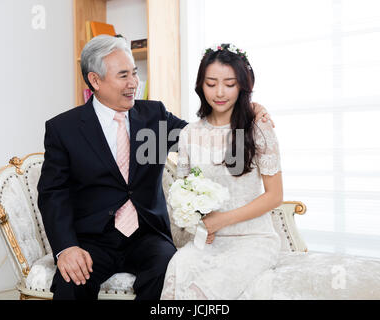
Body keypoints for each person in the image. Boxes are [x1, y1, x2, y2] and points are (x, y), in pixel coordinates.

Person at [37, 35, 272, 300]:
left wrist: (248, 108)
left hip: (147, 236)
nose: (134, 84)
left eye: (134, 73)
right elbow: (52, 194)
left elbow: (203, 135)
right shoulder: (63, 129)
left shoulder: (154, 115)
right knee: (70, 285)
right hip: (92, 240)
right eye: (123, 76)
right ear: (95, 81)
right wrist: (66, 248)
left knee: (167, 269)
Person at [161, 43, 283, 300]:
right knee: (176, 274)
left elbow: (274, 196)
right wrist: (196, 226)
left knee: (200, 293)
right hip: (207, 240)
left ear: (242, 86)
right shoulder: (189, 134)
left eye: (229, 84)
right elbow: (184, 192)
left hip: (253, 240)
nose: (219, 92)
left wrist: (221, 220)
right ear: (200, 85)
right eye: (211, 83)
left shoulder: (258, 128)